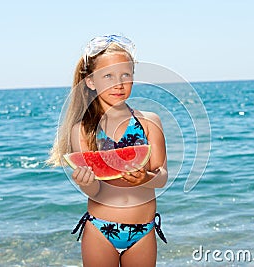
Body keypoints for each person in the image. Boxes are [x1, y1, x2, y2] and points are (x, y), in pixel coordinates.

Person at [48, 34, 168, 267]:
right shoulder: (82, 130)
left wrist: (147, 178)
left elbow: (162, 176)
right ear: (91, 81)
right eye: (108, 76)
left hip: (144, 232)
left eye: (126, 75)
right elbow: (95, 189)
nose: (119, 83)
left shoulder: (150, 121)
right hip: (100, 230)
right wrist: (85, 182)